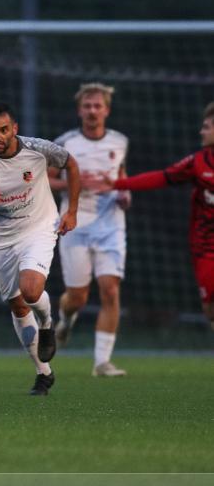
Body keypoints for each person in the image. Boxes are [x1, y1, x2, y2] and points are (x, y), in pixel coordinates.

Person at [0, 102, 80, 395]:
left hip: (38, 227)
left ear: (14, 129)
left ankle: (47, 322)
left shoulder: (39, 149)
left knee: (30, 291)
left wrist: (72, 212)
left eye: (3, 130)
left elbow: (72, 165)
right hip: (0, 237)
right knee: (16, 304)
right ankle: (44, 374)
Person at [87, 101, 214, 332]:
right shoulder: (197, 162)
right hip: (206, 246)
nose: (201, 132)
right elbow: (160, 177)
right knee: (210, 311)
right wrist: (118, 183)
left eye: (206, 127)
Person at [50, 83, 131, 377]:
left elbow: (121, 177)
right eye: (87, 106)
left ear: (107, 110)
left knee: (110, 289)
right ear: (79, 110)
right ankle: (65, 319)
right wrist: (75, 184)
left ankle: (101, 363)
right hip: (74, 223)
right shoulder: (65, 143)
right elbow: (47, 179)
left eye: (98, 106)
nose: (93, 111)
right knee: (78, 297)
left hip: (110, 225)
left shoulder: (120, 141)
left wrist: (125, 194)